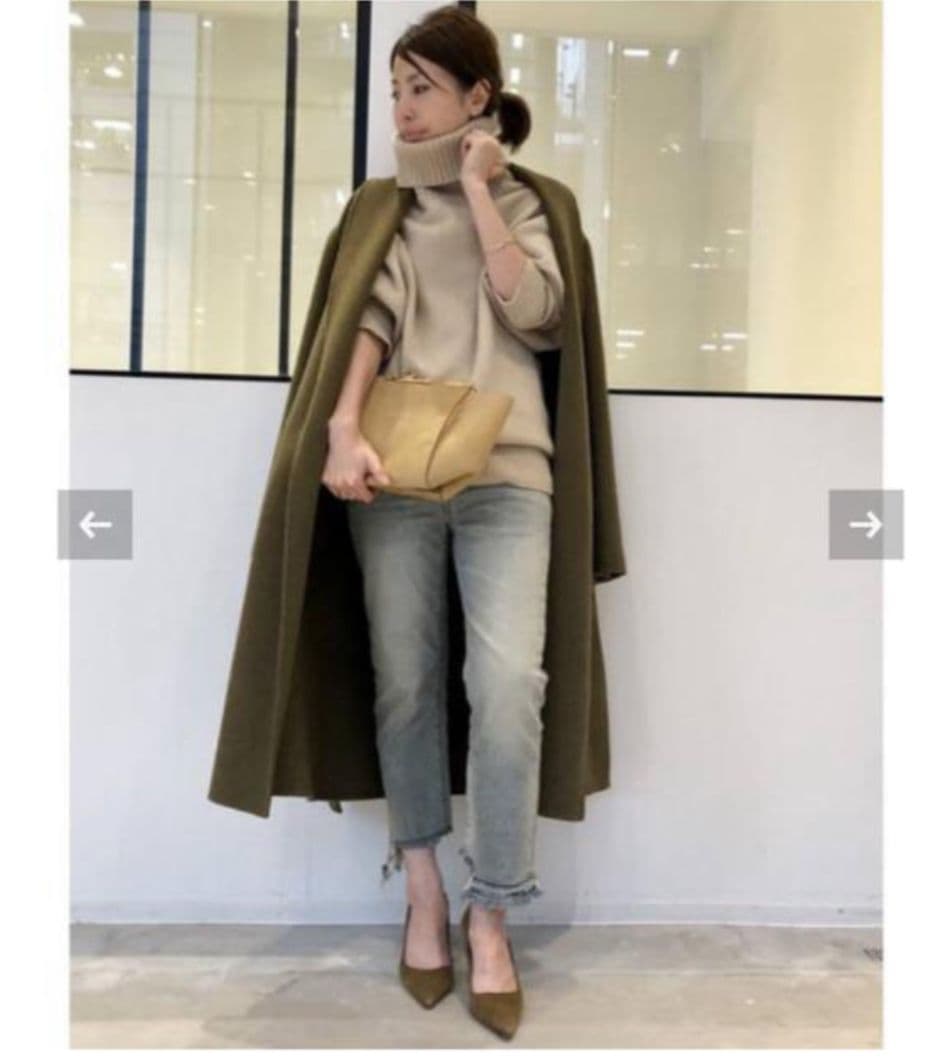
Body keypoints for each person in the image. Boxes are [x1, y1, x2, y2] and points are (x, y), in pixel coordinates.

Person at [320, 6, 566, 1039]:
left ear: (477, 96)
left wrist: (475, 190)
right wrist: (341, 427)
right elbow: (367, 322)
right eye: (395, 89)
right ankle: (422, 889)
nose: (403, 107)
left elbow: (538, 314)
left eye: (421, 87)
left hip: (507, 474)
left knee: (507, 688)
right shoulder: (379, 209)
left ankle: (490, 910)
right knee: (407, 684)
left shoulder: (530, 202)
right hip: (396, 471)